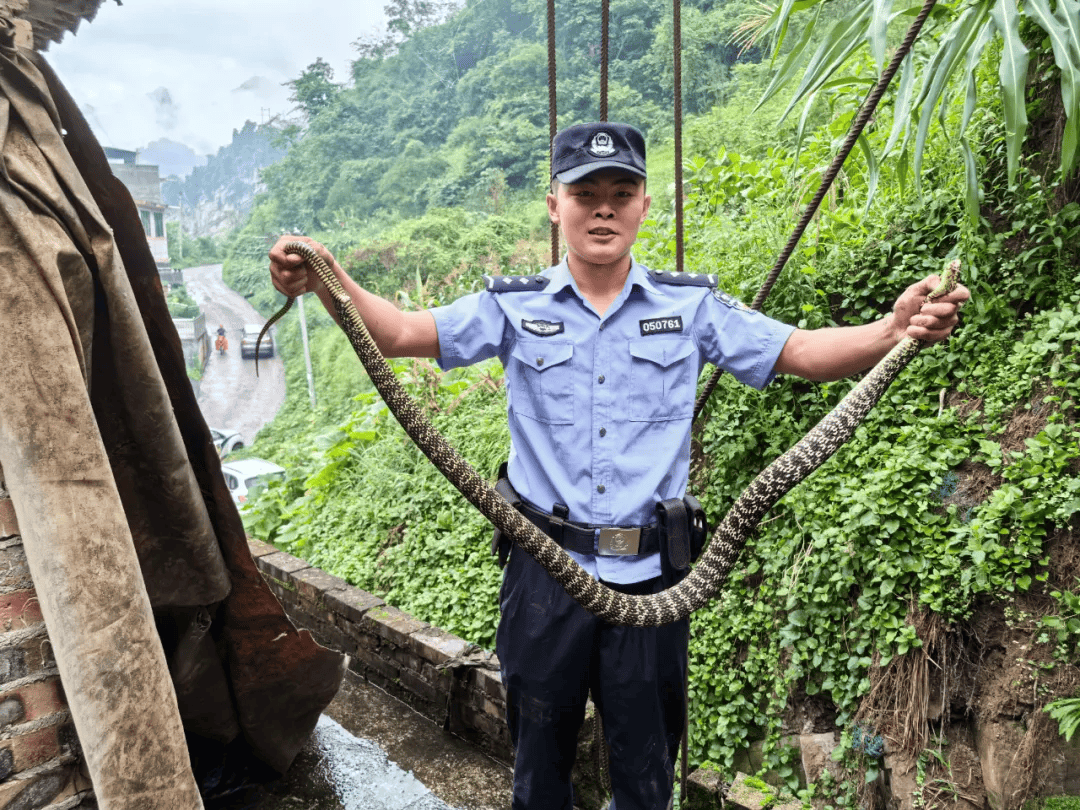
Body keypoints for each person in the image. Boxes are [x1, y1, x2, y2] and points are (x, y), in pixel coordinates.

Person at [268, 122, 969, 810]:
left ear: (643, 203)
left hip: (651, 588)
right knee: (539, 775)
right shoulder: (514, 306)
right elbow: (395, 334)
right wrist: (325, 276)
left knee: (645, 775)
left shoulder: (689, 306)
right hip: (543, 581)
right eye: (584, 192)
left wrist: (893, 329)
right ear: (555, 205)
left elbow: (804, 354)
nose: (603, 206)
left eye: (621, 190)